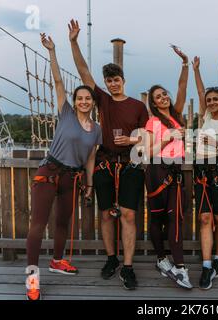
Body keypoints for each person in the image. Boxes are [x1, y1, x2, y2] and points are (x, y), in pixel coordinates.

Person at [69, 20, 149, 290]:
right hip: (104, 164)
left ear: (123, 81)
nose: (113, 83)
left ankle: (127, 267)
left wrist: (133, 139)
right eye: (109, 80)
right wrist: (73, 42)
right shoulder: (101, 99)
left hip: (130, 165)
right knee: (105, 214)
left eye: (116, 79)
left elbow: (147, 138)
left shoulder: (138, 106)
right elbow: (83, 72)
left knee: (128, 215)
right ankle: (111, 259)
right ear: (105, 83)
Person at [25, 33, 102, 300]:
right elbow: (57, 81)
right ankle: (32, 278)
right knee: (38, 225)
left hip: (73, 177)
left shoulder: (97, 129)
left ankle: (57, 261)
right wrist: (53, 51)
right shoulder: (66, 113)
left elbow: (90, 158)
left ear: (92, 103)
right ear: (75, 100)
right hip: (50, 172)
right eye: (80, 97)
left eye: (87, 98)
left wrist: (89, 185)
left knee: (63, 222)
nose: (83, 101)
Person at [144, 45, 193, 289]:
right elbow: (148, 152)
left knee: (176, 219)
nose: (164, 98)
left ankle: (181, 267)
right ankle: (162, 259)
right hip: (156, 171)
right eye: (158, 97)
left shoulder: (176, 114)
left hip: (175, 171)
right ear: (153, 104)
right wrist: (169, 137)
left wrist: (184, 64)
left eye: (164, 95)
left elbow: (183, 87)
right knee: (156, 218)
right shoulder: (153, 121)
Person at [192, 56, 218, 290]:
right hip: (201, 170)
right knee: (205, 218)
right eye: (209, 100)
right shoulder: (206, 117)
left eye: (215, 99)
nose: (211, 102)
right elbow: (200, 91)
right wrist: (196, 69)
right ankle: (207, 265)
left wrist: (215, 143)